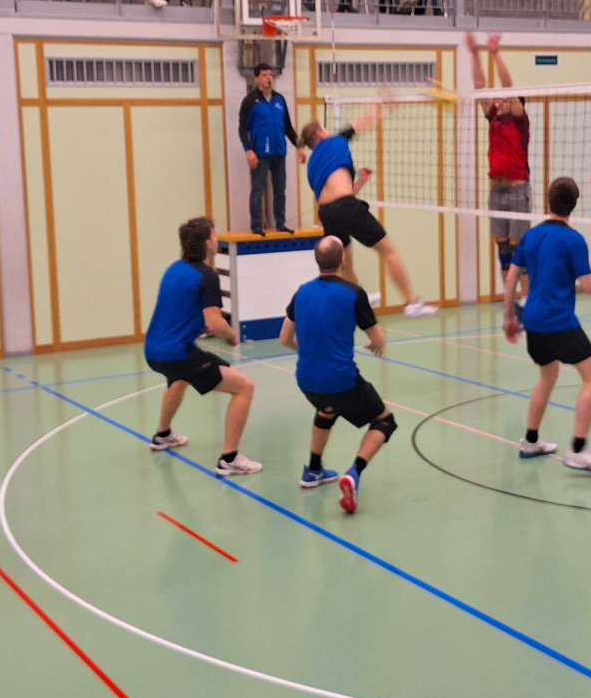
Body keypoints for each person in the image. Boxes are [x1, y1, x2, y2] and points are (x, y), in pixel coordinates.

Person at [280, 236, 398, 514]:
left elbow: (284, 338)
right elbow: (378, 339)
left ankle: (313, 470)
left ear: (317, 261)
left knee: (327, 409)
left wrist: (309, 351)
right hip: (341, 379)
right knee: (385, 422)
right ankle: (354, 474)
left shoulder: (302, 292)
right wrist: (376, 345)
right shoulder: (354, 293)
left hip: (306, 379)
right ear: (343, 260)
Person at [504, 177, 591, 473]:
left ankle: (531, 441)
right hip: (559, 321)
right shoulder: (574, 240)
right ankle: (577, 449)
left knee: (547, 376)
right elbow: (589, 286)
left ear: (548, 201)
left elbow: (511, 278)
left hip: (532, 320)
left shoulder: (530, 235)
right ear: (574, 205)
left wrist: (509, 317)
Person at [144, 217, 262, 476]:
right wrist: (230, 336)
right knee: (244, 387)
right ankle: (230, 459)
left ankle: (163, 435)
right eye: (214, 235)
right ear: (208, 243)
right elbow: (215, 322)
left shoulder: (173, 269)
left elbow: (180, 309)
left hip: (153, 350)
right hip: (177, 353)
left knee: (179, 379)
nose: (217, 239)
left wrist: (200, 326)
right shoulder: (207, 276)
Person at [299, 107, 438, 318]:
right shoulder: (335, 141)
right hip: (345, 206)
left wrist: (360, 182)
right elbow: (365, 121)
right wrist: (383, 104)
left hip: (327, 213)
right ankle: (412, 303)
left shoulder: (312, 165)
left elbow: (336, 195)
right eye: (325, 129)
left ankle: (359, 297)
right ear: (320, 134)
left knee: (345, 264)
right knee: (389, 251)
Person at [468, 32, 531, 316]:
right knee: (502, 248)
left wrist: (495, 53)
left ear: (516, 104)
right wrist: (474, 54)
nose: (500, 101)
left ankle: (528, 299)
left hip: (517, 191)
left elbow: (508, 86)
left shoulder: (519, 121)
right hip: (496, 191)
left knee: (519, 247)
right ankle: (509, 300)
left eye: (505, 100)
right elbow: (480, 86)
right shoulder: (493, 117)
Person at [239, 62, 297, 234]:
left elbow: (287, 126)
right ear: (257, 79)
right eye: (264, 75)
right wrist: (248, 150)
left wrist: (299, 146)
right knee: (258, 191)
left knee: (280, 190)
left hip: (279, 151)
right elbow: (242, 128)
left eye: (271, 75)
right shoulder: (250, 101)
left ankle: (280, 223)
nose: (269, 78)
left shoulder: (280, 99)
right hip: (260, 153)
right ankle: (257, 226)